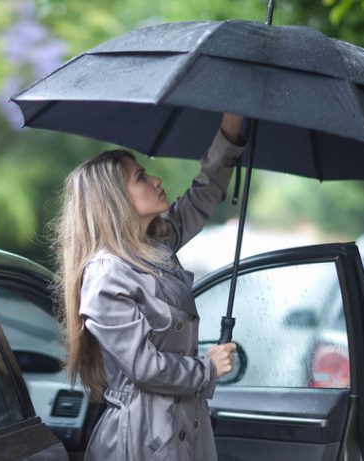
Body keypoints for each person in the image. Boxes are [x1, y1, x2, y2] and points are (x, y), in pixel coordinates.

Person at [52, 113, 245, 460]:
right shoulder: (107, 274)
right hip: (141, 441)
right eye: (141, 176)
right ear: (115, 199)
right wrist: (208, 367)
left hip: (181, 429)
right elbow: (143, 367)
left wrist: (229, 134)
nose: (155, 180)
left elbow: (203, 196)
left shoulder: (155, 245)